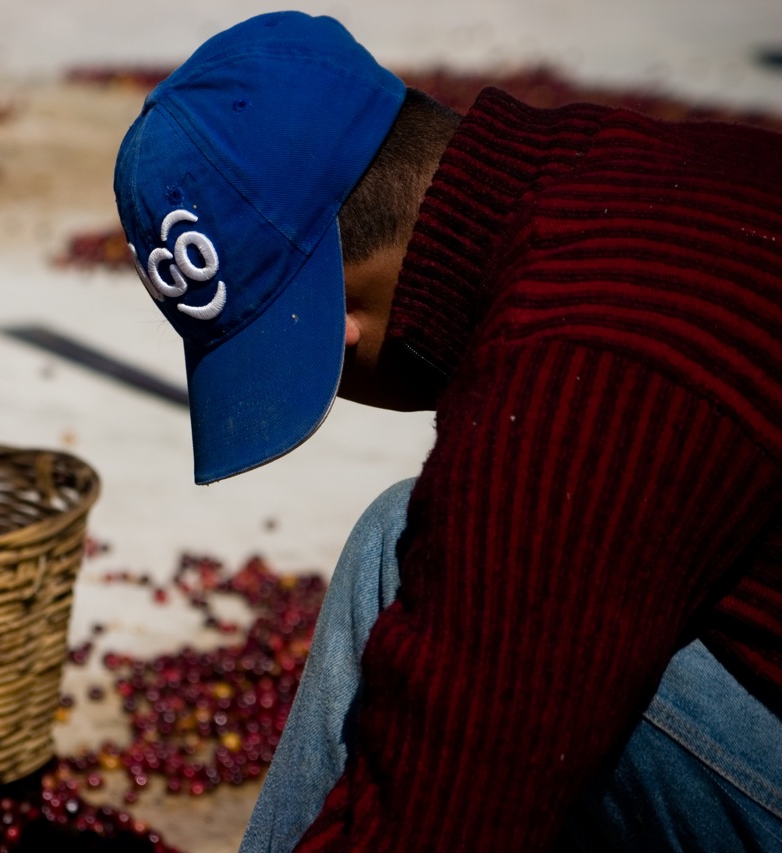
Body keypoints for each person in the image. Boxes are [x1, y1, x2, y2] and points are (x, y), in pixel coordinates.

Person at [112, 10, 782, 852]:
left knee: (406, 550)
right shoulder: (633, 167)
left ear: (334, 325)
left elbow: (446, 817)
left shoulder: (572, 378)